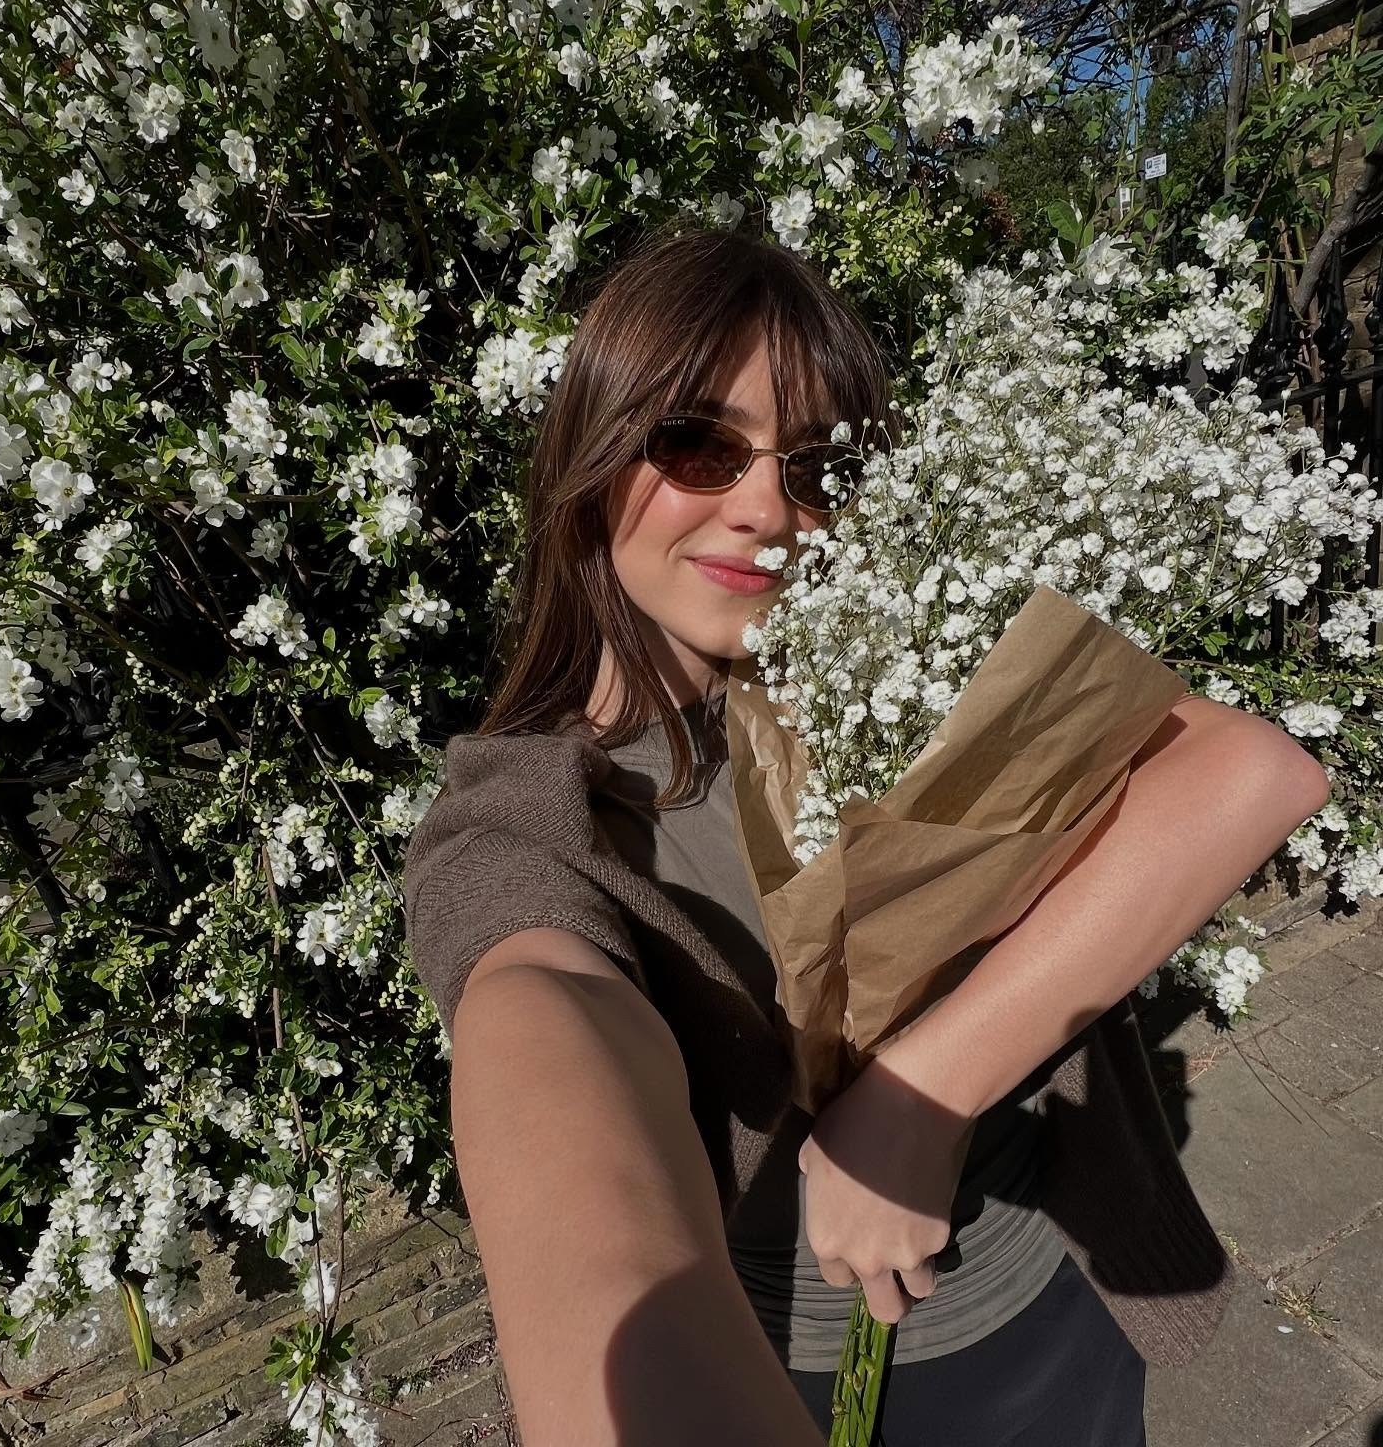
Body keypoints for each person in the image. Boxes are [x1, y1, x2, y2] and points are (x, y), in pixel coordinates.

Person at [403, 220, 1331, 1446]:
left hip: (1052, 1306)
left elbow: (1252, 769)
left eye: (816, 468)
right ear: (596, 448)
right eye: (698, 445)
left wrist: (917, 1095)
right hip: (801, 1374)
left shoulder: (909, 667)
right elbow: (546, 1032)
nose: (764, 509)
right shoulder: (527, 829)